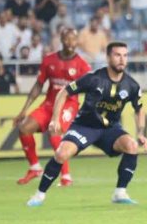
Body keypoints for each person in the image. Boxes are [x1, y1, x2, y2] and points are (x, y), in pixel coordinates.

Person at [26, 42, 147, 207]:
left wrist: (140, 132)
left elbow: (139, 109)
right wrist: (55, 118)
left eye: (125, 55)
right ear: (108, 57)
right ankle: (39, 195)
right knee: (61, 154)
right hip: (85, 126)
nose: (122, 59)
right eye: (117, 55)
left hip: (109, 129)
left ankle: (120, 193)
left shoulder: (132, 85)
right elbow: (64, 91)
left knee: (131, 145)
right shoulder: (94, 78)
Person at [13, 28, 91, 187]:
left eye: (74, 40)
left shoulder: (82, 65)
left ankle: (66, 176)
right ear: (61, 40)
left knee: (54, 132)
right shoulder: (49, 60)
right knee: (24, 128)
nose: (71, 43)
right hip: (49, 104)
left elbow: (91, 89)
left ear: (77, 42)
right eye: (67, 39)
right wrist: (24, 110)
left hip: (69, 105)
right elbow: (38, 85)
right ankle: (34, 168)